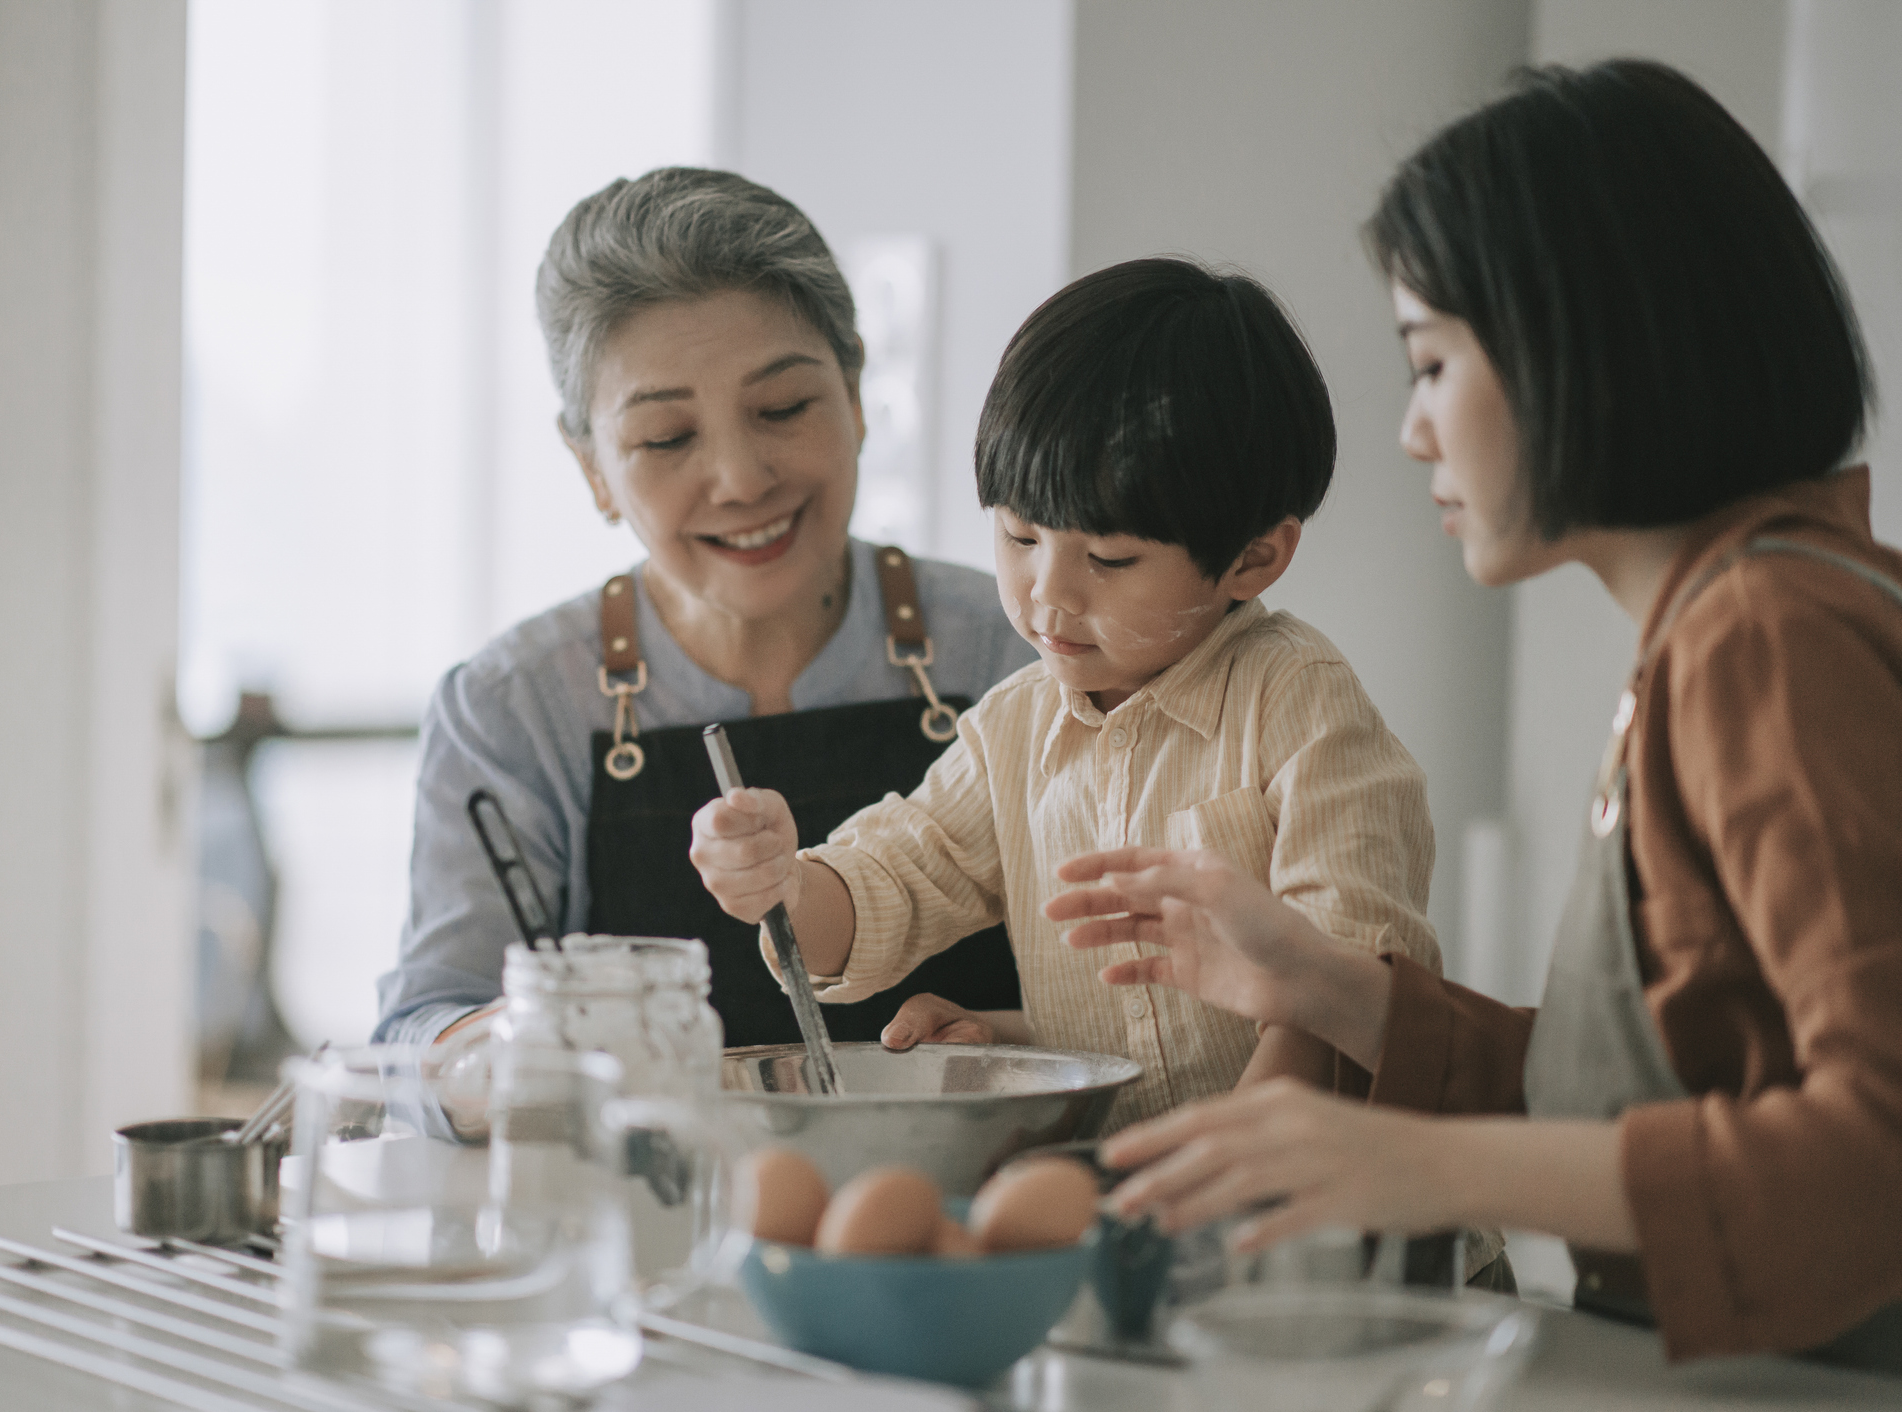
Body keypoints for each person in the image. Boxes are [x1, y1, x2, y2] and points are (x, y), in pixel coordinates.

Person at [1049, 60, 1902, 1369]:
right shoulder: (1726, 623)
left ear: (1591, 348)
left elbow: (1873, 1148)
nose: (1410, 432)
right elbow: (1655, 1090)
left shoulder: (1763, 638)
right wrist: (1332, 990)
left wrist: (1426, 1166)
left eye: (1432, 361)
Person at [691, 256, 1441, 1131]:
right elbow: (895, 878)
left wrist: (1213, 1177)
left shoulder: (1297, 704)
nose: (1048, 595)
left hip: (1332, 1222)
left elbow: (1343, 989)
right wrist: (783, 881)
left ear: (1254, 558)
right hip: (1138, 1203)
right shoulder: (1017, 727)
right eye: (1019, 536)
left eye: (1111, 560)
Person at [373, 167, 1036, 1052]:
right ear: (593, 469)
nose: (740, 478)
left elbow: (1143, 1004)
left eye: (783, 407)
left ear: (856, 397)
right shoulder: (511, 708)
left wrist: (1017, 1040)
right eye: (667, 438)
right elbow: (421, 1034)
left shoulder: (1019, 646)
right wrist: (531, 1040)